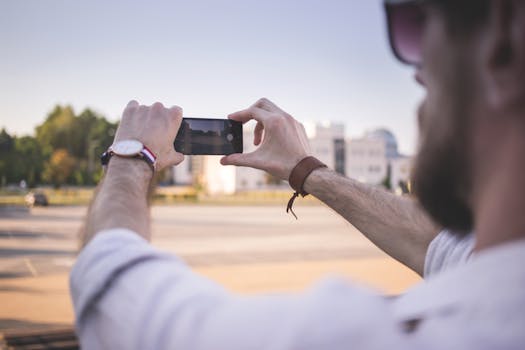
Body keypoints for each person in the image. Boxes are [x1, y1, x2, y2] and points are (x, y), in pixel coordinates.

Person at [71, 0, 525, 348]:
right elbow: (440, 248)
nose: (416, 70)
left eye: (415, 22)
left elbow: (114, 294)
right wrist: (308, 171)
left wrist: (132, 155)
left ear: (502, 39)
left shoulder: (362, 336)